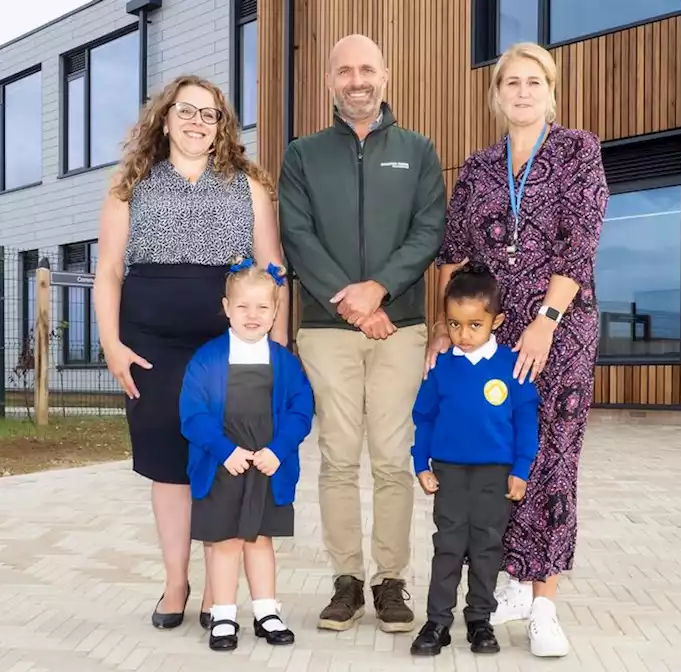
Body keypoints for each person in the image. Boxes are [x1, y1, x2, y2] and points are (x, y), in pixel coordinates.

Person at [427, 42, 608, 658]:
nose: (523, 92)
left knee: (552, 458)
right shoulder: (478, 168)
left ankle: (546, 604)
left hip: (560, 330)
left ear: (550, 92)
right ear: (497, 94)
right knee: (495, 453)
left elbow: (579, 244)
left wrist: (546, 322)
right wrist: (439, 331)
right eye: (512, 83)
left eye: (535, 82)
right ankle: (507, 581)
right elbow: (454, 253)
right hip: (489, 331)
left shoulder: (579, 151)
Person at [92, 74, 287, 631]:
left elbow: (272, 269)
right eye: (188, 111)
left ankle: (216, 593)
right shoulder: (129, 183)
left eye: (211, 114)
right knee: (169, 469)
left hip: (226, 346)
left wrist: (272, 350)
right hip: (149, 347)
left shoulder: (248, 184)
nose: (198, 121)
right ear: (165, 116)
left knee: (219, 463)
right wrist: (112, 346)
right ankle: (176, 582)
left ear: (223, 125)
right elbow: (108, 272)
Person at [278, 33, 447, 633]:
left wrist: (379, 290)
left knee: (393, 457)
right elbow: (297, 236)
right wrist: (353, 303)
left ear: (385, 75)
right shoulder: (302, 154)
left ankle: (392, 581)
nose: (357, 80)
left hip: (399, 327)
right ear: (330, 81)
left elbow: (429, 233)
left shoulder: (419, 151)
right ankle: (347, 580)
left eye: (367, 69)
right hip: (326, 329)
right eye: (345, 71)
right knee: (338, 457)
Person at [178, 257, 315, 652]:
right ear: (226, 308)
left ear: (276, 312)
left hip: (267, 464)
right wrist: (223, 450)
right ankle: (223, 614)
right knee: (225, 542)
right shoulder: (207, 360)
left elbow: (300, 410)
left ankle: (266, 610)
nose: (252, 316)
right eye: (243, 307)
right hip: (223, 464)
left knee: (259, 540)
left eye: (262, 307)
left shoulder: (286, 364)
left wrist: (279, 449)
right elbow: (193, 414)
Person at [408, 261, 541, 657]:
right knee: (447, 545)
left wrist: (521, 470)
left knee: (486, 547)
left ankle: (480, 620)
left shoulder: (512, 367)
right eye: (453, 324)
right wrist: (420, 464)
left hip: (495, 476)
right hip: (448, 473)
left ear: (495, 321)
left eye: (474, 325)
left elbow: (527, 423)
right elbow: (424, 417)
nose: (462, 335)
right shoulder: (440, 368)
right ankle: (437, 622)